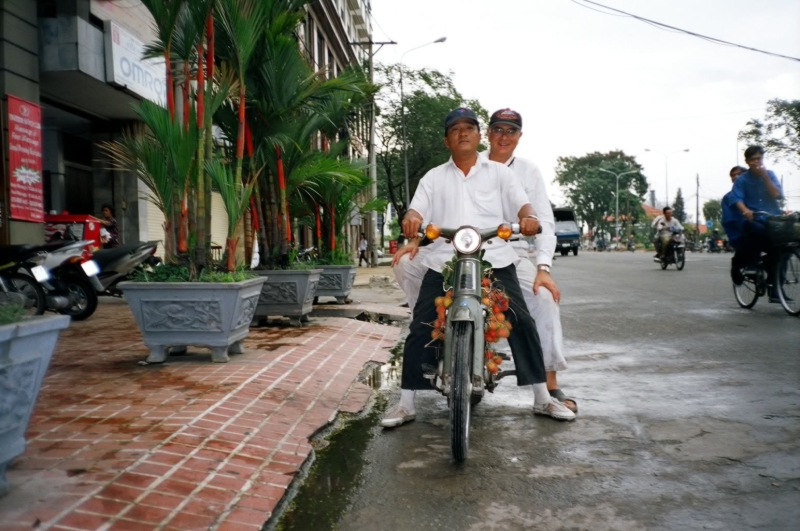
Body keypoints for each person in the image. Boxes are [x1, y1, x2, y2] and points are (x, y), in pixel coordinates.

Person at [381, 107, 576, 429]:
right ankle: (405, 402)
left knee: (521, 319)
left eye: (468, 127)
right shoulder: (433, 176)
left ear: (477, 135)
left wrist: (528, 218)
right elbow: (416, 210)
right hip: (445, 257)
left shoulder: (502, 174)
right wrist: (412, 220)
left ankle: (543, 397)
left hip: (495, 257)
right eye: (455, 129)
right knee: (420, 324)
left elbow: (522, 204)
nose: (463, 133)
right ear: (447, 140)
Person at [726, 146, 784, 297]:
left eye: (759, 158)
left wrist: (765, 177)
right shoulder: (742, 180)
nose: (757, 162)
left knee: (783, 247)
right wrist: (745, 211)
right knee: (756, 230)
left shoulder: (770, 175)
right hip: (752, 220)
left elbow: (777, 195)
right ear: (747, 161)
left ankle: (776, 288)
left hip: (772, 219)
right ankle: (751, 264)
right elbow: (737, 199)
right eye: (753, 159)